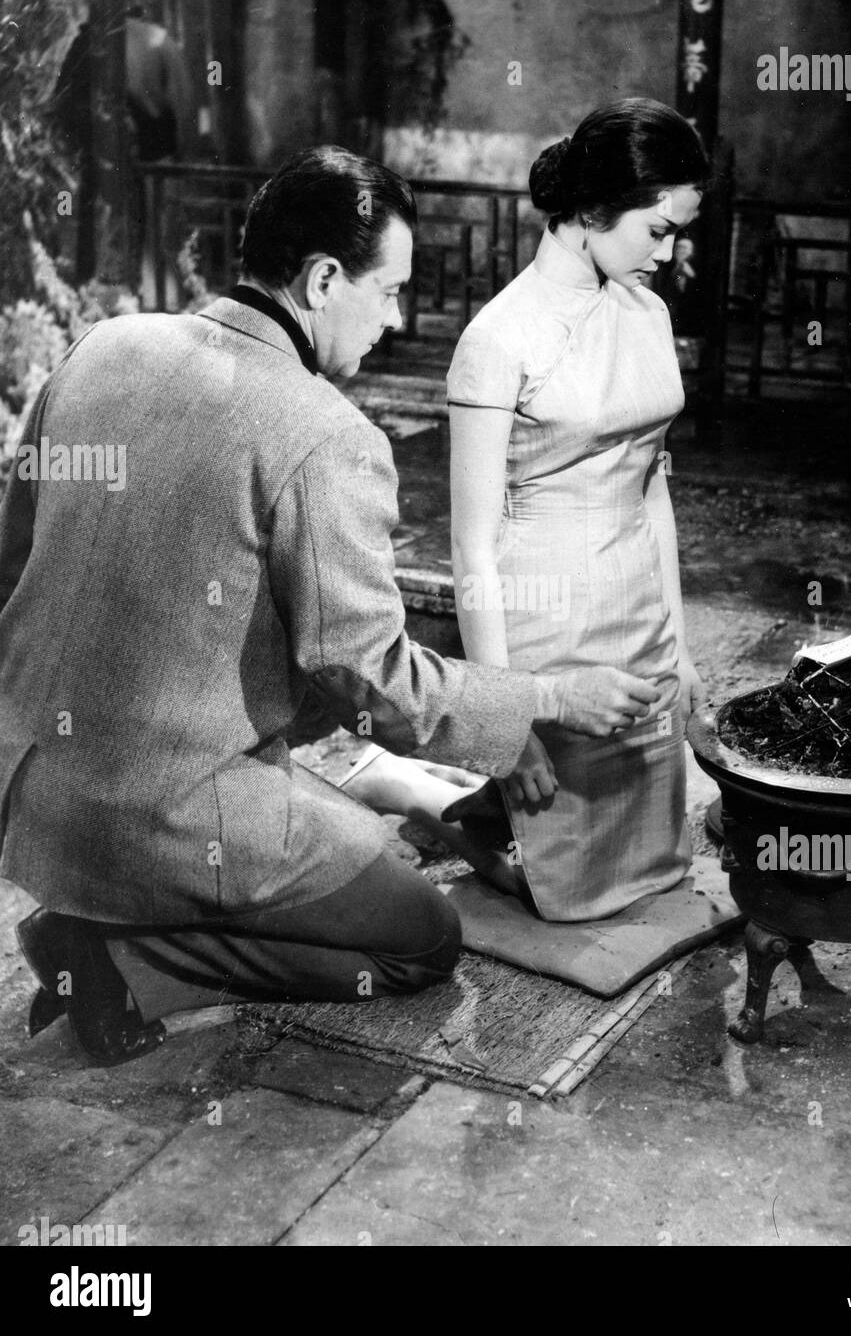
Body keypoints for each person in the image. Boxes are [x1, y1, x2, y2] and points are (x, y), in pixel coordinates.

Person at [0, 146, 658, 1066]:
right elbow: (373, 683)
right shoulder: (323, 433)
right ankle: (118, 959)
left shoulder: (104, 348)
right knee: (421, 938)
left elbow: (16, 564)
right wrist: (549, 698)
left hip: (27, 790)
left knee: (300, 700)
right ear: (320, 279)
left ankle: (106, 912)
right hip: (155, 818)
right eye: (389, 291)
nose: (397, 319)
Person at [446, 98, 709, 922]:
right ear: (591, 211)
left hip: (636, 604)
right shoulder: (500, 338)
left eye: (680, 232)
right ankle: (431, 801)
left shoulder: (649, 311)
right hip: (544, 618)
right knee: (563, 891)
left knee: (660, 867)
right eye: (658, 230)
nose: (670, 253)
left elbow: (652, 486)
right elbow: (472, 551)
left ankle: (477, 807)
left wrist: (680, 641)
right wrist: (504, 723)